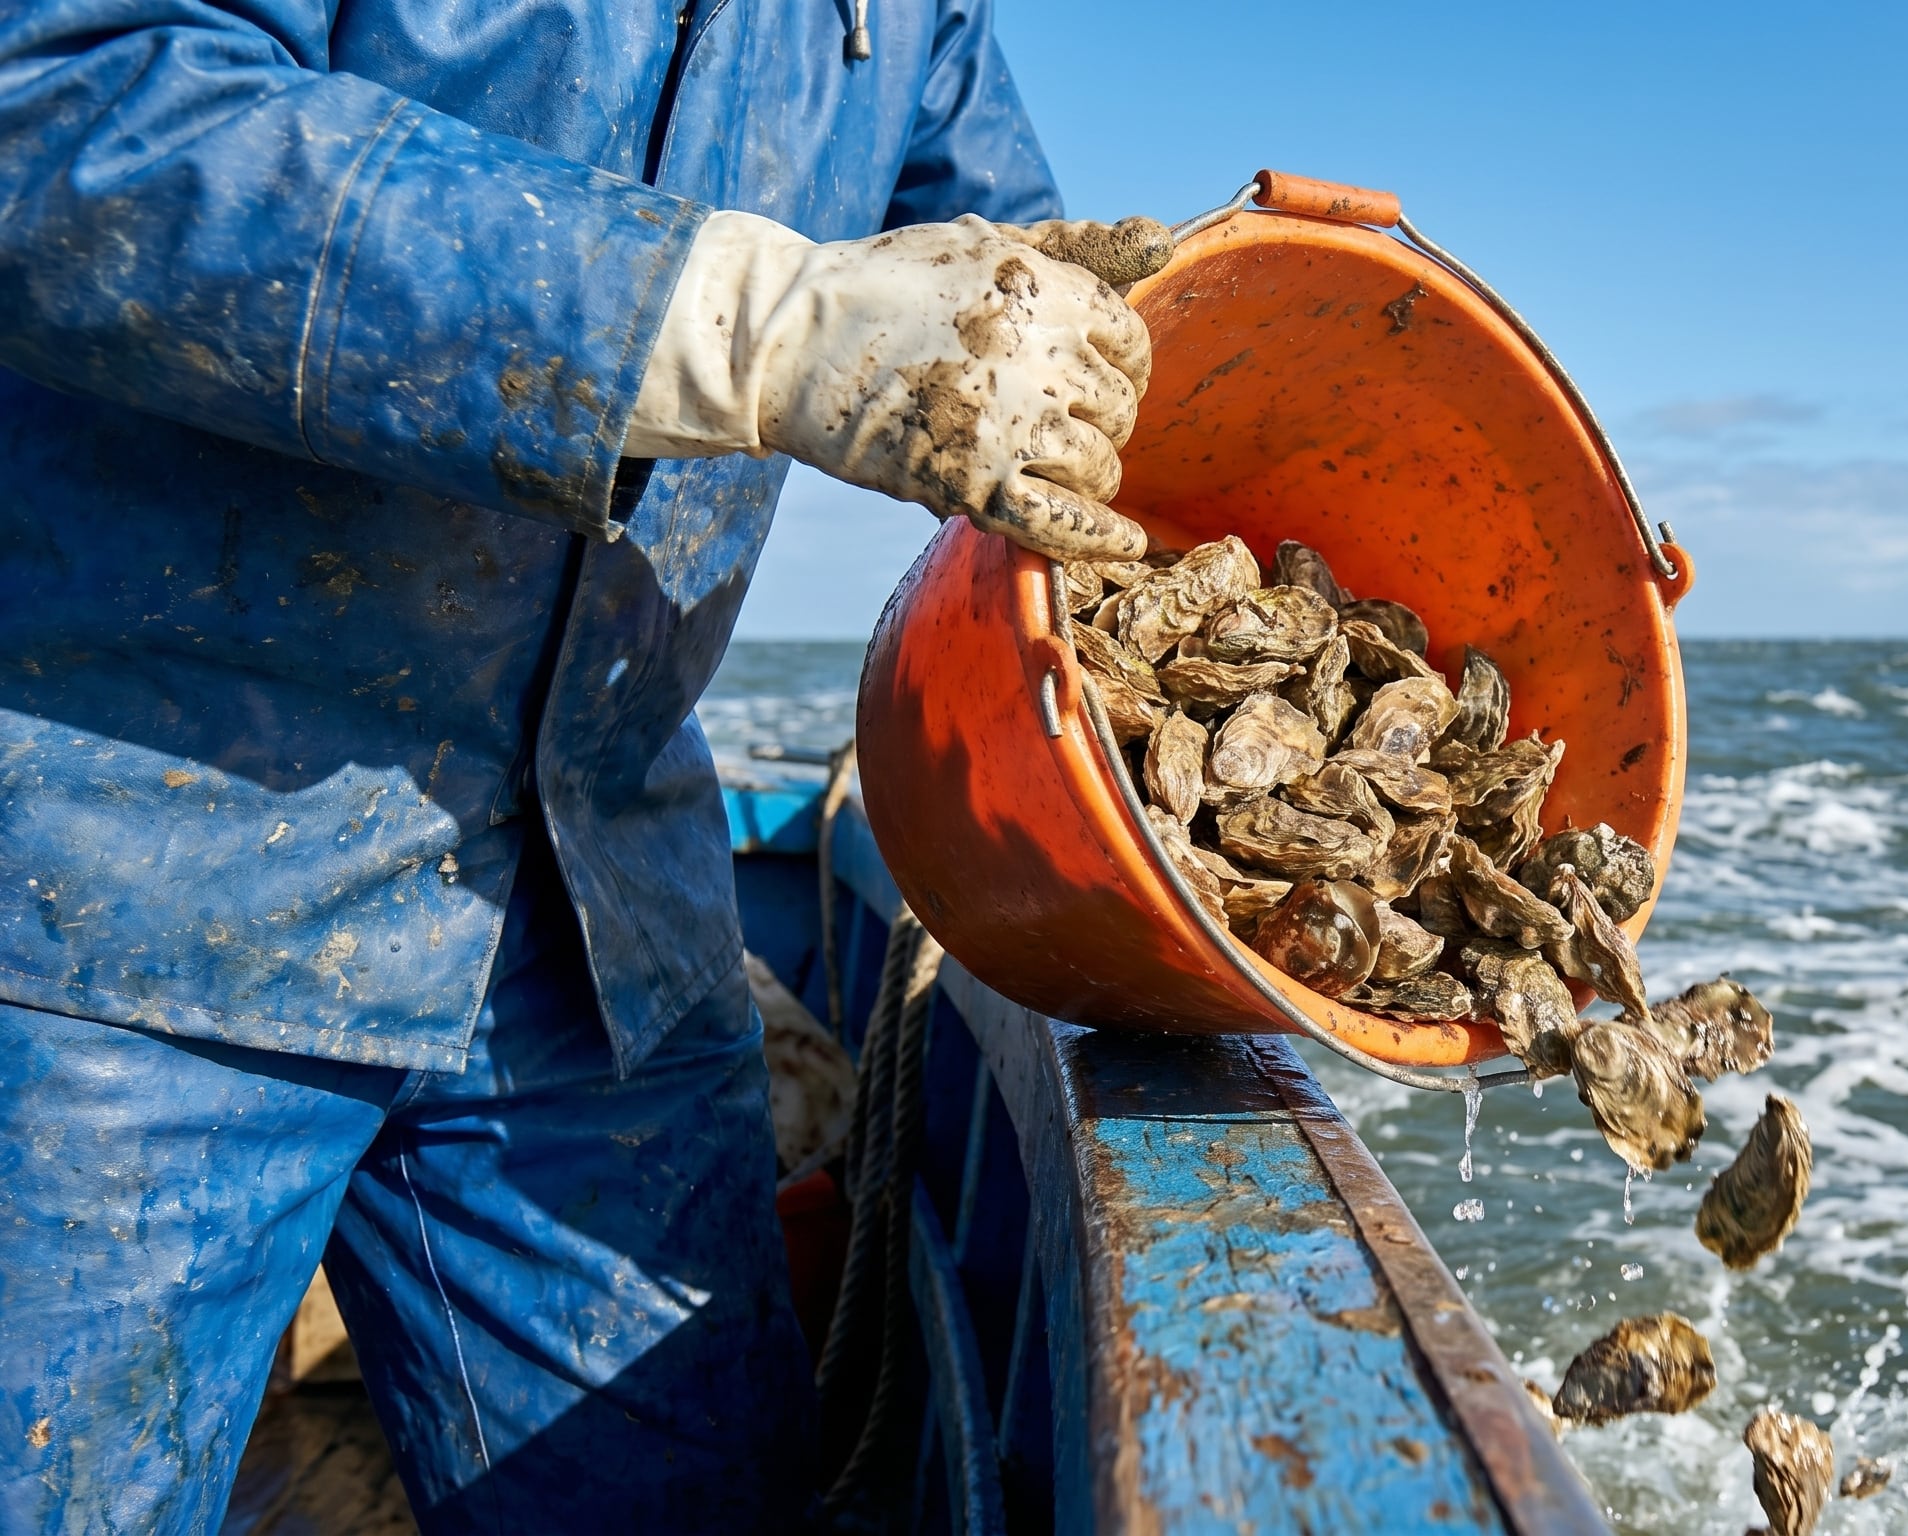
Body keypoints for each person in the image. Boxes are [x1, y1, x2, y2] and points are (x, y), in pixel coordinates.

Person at [0, 0, 1161, 1528]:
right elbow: (69, 101)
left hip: (597, 913)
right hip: (123, 893)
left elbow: (1030, 292)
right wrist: (738, 323)